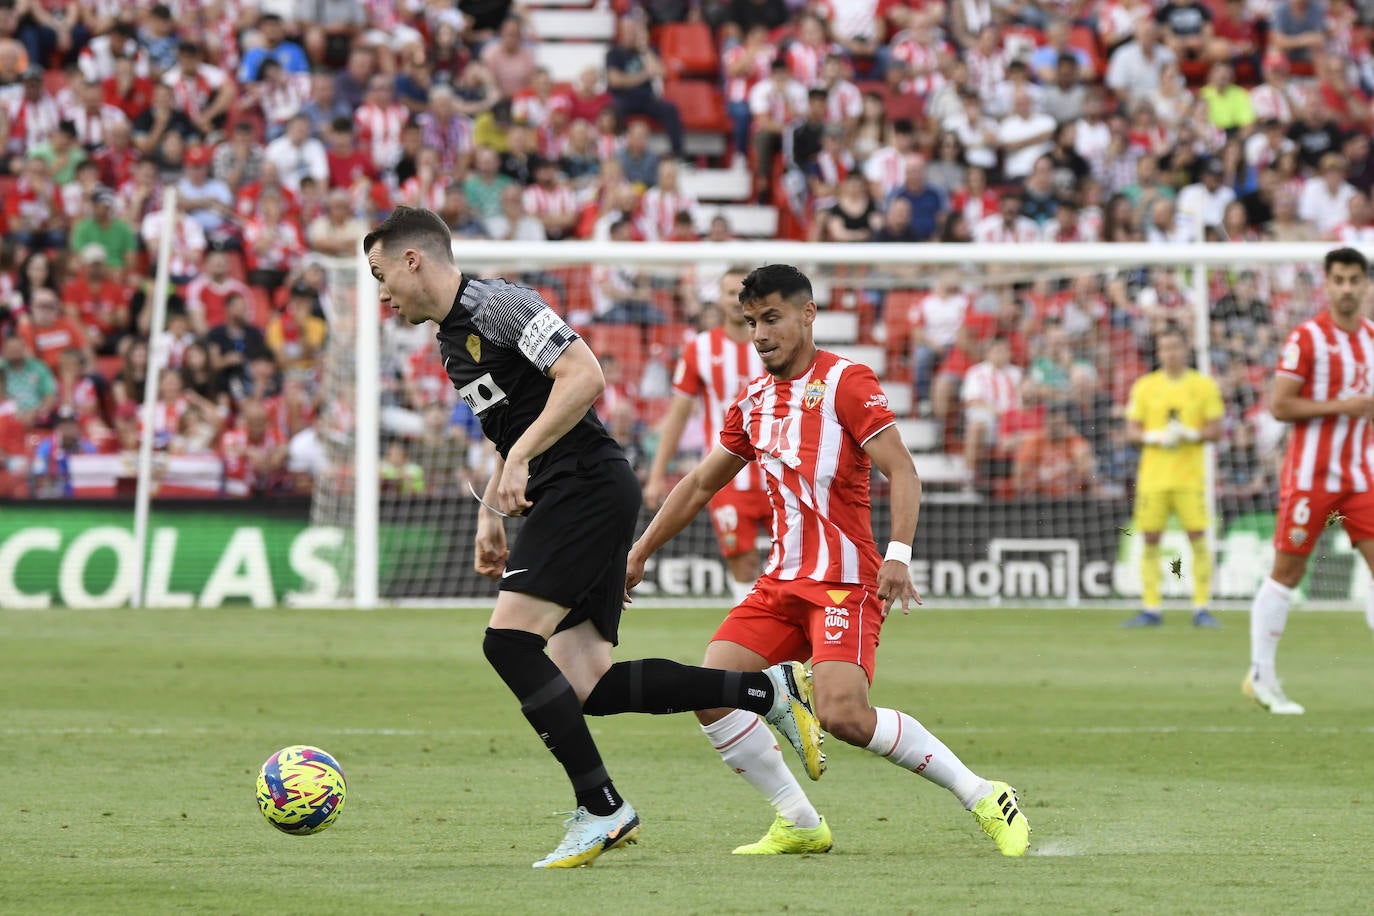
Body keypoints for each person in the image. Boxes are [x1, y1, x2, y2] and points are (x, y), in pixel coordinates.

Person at [361, 207, 822, 868]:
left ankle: (603, 808)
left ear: (413, 260)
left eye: (381, 274)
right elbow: (514, 425)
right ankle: (767, 691)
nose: (380, 291)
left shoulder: (501, 304)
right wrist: (493, 504)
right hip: (569, 489)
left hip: (585, 483)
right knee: (587, 685)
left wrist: (519, 461)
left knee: (509, 644)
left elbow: (585, 377)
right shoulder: (447, 341)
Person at [626, 264, 1031, 857]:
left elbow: (904, 471)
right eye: (751, 323)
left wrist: (898, 554)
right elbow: (695, 486)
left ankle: (983, 794)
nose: (760, 334)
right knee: (710, 690)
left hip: (844, 582)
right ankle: (798, 820)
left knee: (845, 716)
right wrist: (638, 553)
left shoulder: (847, 381)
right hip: (780, 585)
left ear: (807, 314)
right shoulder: (754, 399)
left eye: (772, 318)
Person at [1246, 247, 1374, 715]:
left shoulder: (1372, 339)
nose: (1346, 288)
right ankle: (1262, 676)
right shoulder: (1307, 338)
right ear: (1327, 283)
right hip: (1309, 478)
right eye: (1338, 279)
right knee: (1287, 574)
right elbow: (1280, 406)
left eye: (1353, 279)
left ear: (1364, 284)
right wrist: (1341, 405)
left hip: (1360, 476)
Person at [644, 269, 767, 602]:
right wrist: (657, 475)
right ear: (720, 298)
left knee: (794, 566)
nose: (737, 300)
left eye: (743, 293)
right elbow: (678, 415)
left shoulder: (775, 344)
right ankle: (755, 645)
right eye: (730, 293)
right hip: (725, 477)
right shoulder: (699, 348)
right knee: (743, 564)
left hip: (778, 474)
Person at [1120, 327, 1224, 628]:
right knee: (1150, 538)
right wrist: (1154, 437)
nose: (1171, 353)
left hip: (1190, 478)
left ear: (1185, 350)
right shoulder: (1145, 386)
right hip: (1153, 477)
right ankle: (1151, 607)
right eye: (1165, 348)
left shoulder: (1203, 386)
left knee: (1198, 537)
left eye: (1175, 347)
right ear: (1158, 353)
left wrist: (1193, 433)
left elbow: (1216, 430)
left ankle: (1201, 606)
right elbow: (1131, 430)